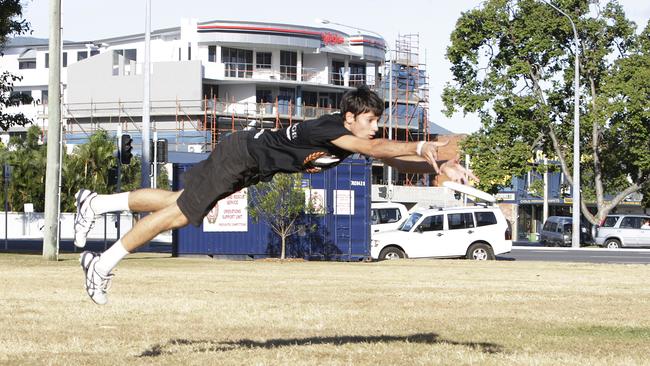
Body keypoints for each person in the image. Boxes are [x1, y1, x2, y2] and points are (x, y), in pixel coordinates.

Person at [75, 86, 477, 305]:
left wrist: (435, 167)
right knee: (182, 213)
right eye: (371, 121)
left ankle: (94, 203)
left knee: (177, 200)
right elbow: (379, 150)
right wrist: (429, 147)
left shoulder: (350, 138)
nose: (374, 128)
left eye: (378, 121)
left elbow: (395, 162)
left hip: (249, 163)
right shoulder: (332, 130)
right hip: (241, 155)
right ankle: (103, 263)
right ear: (350, 117)